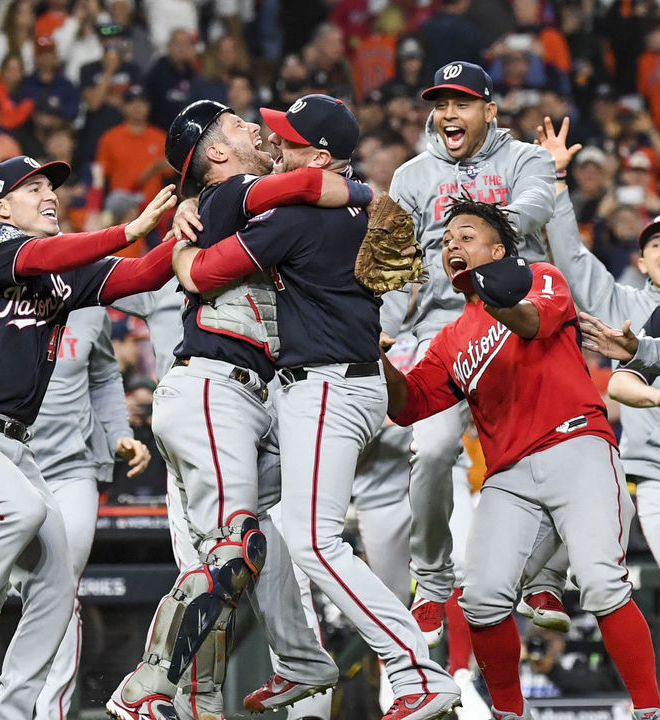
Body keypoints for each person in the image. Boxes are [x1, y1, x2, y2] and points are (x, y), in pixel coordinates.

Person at [168, 95, 460, 720]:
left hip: (327, 385)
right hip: (333, 384)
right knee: (254, 516)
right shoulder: (343, 203)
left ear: (320, 156)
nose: (276, 142)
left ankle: (417, 671)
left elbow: (199, 275)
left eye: (290, 139)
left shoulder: (301, 217)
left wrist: (180, 243)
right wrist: (194, 198)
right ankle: (300, 660)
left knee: (312, 539)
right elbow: (340, 194)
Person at [109, 98, 382, 720]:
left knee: (260, 542)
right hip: (213, 386)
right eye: (236, 124)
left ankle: (299, 658)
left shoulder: (231, 206)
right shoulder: (234, 193)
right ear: (215, 153)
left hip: (259, 395)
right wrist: (366, 192)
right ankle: (148, 689)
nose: (255, 128)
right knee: (234, 547)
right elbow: (320, 181)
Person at [0, 154, 179, 720]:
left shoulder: (68, 274)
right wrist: (126, 230)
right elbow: (41, 254)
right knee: (21, 511)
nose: (49, 194)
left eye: (52, 185)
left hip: (16, 445)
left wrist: (180, 237)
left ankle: (10, 713)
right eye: (33, 188)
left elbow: (142, 275)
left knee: (58, 583)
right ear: (3, 206)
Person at [379, 196, 660, 720]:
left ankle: (650, 710)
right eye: (446, 242)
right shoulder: (447, 340)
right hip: (508, 474)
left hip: (575, 444)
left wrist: (490, 295)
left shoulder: (540, 275)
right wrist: (374, 353)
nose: (452, 246)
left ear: (497, 248)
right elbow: (409, 405)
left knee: (602, 581)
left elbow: (534, 322)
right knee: (482, 599)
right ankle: (510, 714)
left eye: (465, 236)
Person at [540, 118, 660, 720]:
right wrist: (559, 180)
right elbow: (567, 253)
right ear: (641, 264)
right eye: (655, 247)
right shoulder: (624, 307)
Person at [384, 60, 560, 646]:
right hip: (440, 328)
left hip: (515, 323)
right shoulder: (411, 177)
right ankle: (432, 582)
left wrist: (481, 235)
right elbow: (392, 263)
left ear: (490, 109)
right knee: (431, 450)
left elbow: (535, 208)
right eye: (441, 103)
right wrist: (382, 325)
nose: (449, 113)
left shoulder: (525, 160)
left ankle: (544, 576)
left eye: (462, 102)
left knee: (558, 452)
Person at [0, 305, 145, 720]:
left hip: (71, 468)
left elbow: (106, 375)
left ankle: (47, 712)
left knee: (61, 588)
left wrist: (120, 435)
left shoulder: (90, 312)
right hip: (3, 464)